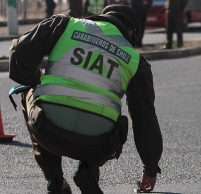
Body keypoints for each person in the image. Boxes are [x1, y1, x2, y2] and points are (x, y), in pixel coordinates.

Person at [8, 4, 163, 194]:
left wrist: (35, 80)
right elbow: (145, 119)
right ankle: (88, 169)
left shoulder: (65, 25)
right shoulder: (136, 61)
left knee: (28, 89)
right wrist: (150, 168)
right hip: (97, 145)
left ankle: (55, 181)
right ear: (130, 32)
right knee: (113, 115)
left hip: (47, 131)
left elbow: (19, 53)